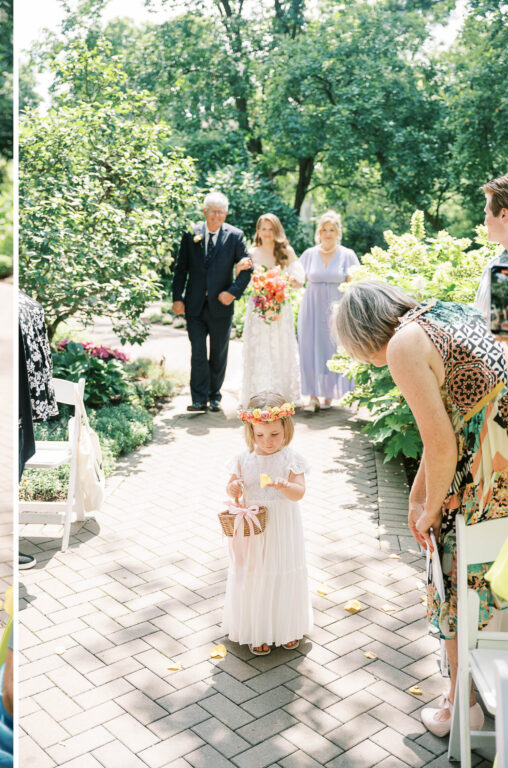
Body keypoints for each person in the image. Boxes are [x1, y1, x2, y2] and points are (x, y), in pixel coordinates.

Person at [332, 279, 508, 737]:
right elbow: (448, 429)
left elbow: (442, 447)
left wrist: (429, 513)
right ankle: (487, 685)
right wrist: (420, 497)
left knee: (448, 567)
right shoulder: (446, 311)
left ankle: (463, 702)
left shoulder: (402, 346)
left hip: (492, 469)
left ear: (362, 334)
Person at [224, 392, 312, 655]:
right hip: (256, 528)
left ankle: (286, 628)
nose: (268, 442)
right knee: (257, 574)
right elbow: (232, 491)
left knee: (283, 569)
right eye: (260, 435)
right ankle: (258, 629)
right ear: (251, 432)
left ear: (286, 428)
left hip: (283, 526)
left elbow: (299, 493)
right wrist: (234, 487)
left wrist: (287, 486)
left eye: (274, 434)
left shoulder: (291, 459)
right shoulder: (243, 459)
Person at [172, 191, 252, 412]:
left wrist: (232, 292)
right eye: (213, 211)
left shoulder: (235, 236)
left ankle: (214, 395)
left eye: (221, 212)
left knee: (218, 352)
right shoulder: (191, 234)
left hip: (221, 305)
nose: (217, 216)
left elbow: (247, 268)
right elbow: (181, 269)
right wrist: (177, 298)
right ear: (204, 211)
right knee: (197, 351)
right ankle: (198, 399)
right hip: (194, 305)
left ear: (226, 214)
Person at [237, 213, 305, 406]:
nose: (267, 233)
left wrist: (285, 282)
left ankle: (281, 394)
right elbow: (244, 281)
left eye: (270, 229)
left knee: (280, 347)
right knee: (259, 347)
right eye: (263, 229)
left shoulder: (286, 251)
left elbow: (299, 280)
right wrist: (239, 269)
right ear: (258, 231)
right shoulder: (251, 253)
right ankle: (257, 394)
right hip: (258, 308)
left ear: (277, 230)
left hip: (280, 308)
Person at [298, 210, 359, 409]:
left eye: (332, 229)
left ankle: (330, 394)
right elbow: (297, 280)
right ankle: (313, 396)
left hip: (337, 309)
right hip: (311, 308)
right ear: (319, 232)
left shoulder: (347, 255)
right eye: (324, 229)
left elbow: (355, 282)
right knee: (310, 348)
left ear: (337, 232)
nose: (327, 233)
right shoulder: (309, 254)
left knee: (333, 349)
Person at [473, 173, 508, 319]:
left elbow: (503, 335)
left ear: (504, 214)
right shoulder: (496, 264)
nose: (485, 221)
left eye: (487, 213)